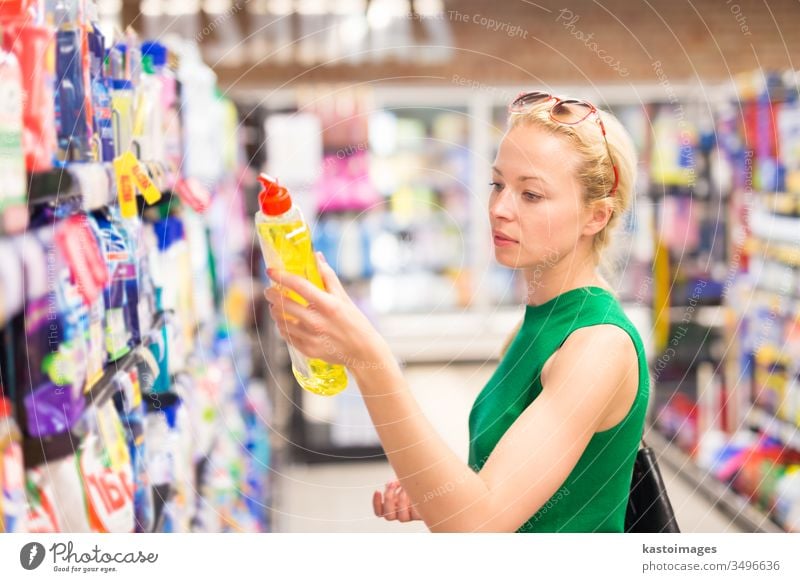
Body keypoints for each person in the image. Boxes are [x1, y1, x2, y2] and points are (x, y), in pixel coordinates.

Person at [264, 91, 649, 533]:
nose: (500, 209)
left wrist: (370, 361)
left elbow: (477, 527)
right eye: (498, 184)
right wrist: (437, 491)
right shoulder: (531, 329)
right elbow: (494, 491)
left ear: (595, 217)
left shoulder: (597, 347)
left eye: (531, 194)